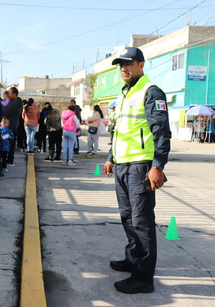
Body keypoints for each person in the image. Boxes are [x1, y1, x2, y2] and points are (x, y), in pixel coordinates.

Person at [103, 47, 171, 294]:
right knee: (127, 217)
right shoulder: (123, 93)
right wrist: (111, 157)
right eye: (121, 64)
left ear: (141, 65)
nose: (124, 68)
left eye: (129, 63)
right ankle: (133, 259)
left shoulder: (150, 91)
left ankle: (143, 278)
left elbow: (161, 131)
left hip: (140, 166)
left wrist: (157, 166)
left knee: (142, 222)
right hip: (122, 165)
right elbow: (119, 130)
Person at [3, 87, 22, 166]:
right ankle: (9, 159)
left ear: (14, 94)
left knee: (10, 143)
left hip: (11, 126)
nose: (8, 95)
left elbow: (6, 111)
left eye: (9, 93)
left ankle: (10, 160)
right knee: (9, 142)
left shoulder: (16, 103)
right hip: (10, 125)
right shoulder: (14, 101)